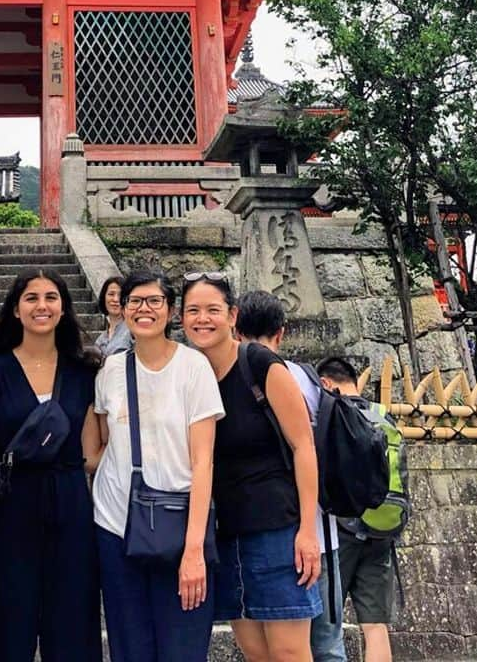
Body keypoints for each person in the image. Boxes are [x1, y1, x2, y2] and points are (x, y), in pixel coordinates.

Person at [181, 273, 321, 662]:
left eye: (213, 310)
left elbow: (303, 446)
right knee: (256, 653)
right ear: (181, 319)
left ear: (233, 316)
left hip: (277, 530)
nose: (202, 319)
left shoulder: (259, 363)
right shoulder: (190, 373)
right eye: (193, 310)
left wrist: (308, 531)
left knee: (289, 653)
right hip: (225, 534)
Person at [92, 268, 224, 662]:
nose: (144, 309)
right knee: (128, 648)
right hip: (116, 525)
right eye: (135, 301)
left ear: (171, 311)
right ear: (123, 308)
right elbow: (99, 442)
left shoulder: (193, 368)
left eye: (154, 301)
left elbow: (204, 462)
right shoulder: (111, 370)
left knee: (182, 649)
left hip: (180, 527)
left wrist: (194, 549)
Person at [0, 269, 103, 661]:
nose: (41, 306)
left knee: (74, 619)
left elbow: (90, 454)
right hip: (13, 504)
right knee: (6, 619)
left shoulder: (85, 373)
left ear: (64, 308)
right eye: (31, 298)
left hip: (71, 502)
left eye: (50, 297)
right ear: (15, 309)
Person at [235, 290, 346, 662]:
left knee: (290, 649)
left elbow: (302, 448)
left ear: (234, 326)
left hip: (290, 530)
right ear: (281, 332)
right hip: (316, 527)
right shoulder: (307, 378)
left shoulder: (260, 374)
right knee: (323, 643)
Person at [318, 357, 396, 662]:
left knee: (328, 625)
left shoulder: (336, 416)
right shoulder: (382, 416)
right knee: (375, 626)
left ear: (326, 383)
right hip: (384, 528)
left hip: (343, 530)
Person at [94, 274, 131, 356]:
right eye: (111, 294)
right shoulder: (100, 340)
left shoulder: (133, 330)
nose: (115, 299)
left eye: (120, 295)